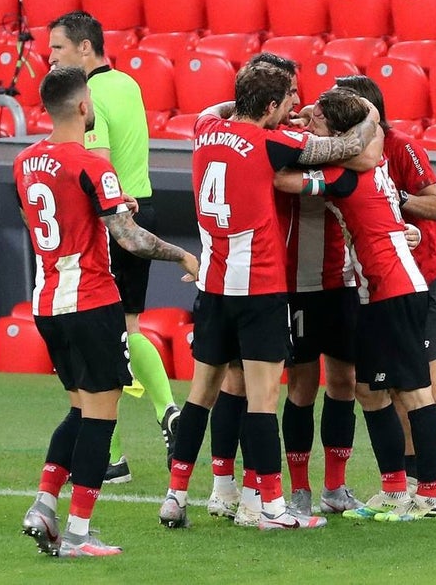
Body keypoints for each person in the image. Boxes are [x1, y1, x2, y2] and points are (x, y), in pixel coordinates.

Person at [157, 59, 378, 531]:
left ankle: (176, 495)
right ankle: (271, 507)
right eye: (290, 99)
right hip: (257, 288)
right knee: (262, 400)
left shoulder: (204, 127)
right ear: (273, 105)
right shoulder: (273, 142)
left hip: (211, 286)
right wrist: (371, 113)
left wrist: (246, 101)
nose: (298, 106)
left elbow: (216, 110)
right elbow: (353, 146)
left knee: (199, 396)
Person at [15, 66, 198, 557]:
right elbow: (131, 240)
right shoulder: (94, 165)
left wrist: (110, 207)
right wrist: (182, 255)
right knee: (101, 416)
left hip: (47, 301)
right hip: (91, 300)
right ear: (83, 107)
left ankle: (43, 506)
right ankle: (77, 533)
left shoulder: (26, 162)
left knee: (79, 407)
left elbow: (49, 213)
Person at [276, 87, 436, 522]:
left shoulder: (344, 172)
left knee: (413, 391)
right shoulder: (365, 161)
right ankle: (398, 488)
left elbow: (282, 179)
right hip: (383, 289)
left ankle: (427, 491)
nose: (310, 127)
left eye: (317, 123)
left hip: (392, 288)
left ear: (340, 134)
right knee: (371, 390)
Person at [46, 11, 180, 482]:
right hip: (141, 204)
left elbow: (94, 160)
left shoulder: (91, 98)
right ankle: (142, 434)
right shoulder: (128, 84)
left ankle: (128, 442)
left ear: (85, 48)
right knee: (125, 327)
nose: (50, 59)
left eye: (57, 49)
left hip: (111, 218)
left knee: (100, 338)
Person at [335, 75, 436, 509]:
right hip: (383, 280)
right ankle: (407, 481)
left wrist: (393, 199)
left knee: (424, 382)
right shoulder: (351, 155)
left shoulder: (399, 145)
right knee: (383, 387)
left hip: (425, 272)